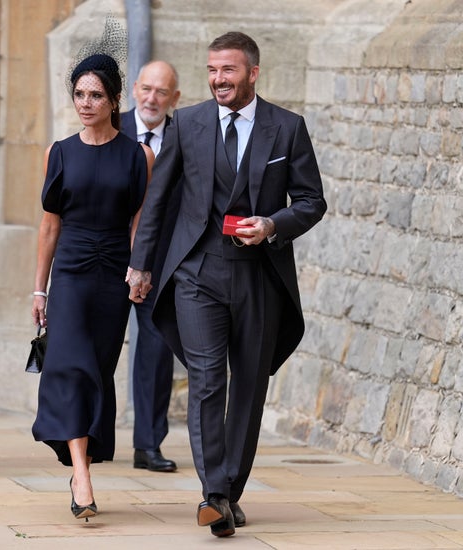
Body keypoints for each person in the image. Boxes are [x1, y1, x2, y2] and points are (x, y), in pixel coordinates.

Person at [126, 32, 327, 537]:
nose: (218, 80)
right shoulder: (188, 123)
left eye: (229, 71)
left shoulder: (287, 128)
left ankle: (231, 489)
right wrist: (142, 265)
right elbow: (158, 201)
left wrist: (273, 225)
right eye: (213, 70)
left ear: (253, 73)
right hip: (197, 271)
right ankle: (214, 493)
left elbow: (311, 200)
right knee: (208, 380)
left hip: (260, 275)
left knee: (249, 388)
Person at [30, 44, 154, 520]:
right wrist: (39, 289)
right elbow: (49, 227)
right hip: (72, 274)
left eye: (96, 95)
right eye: (79, 94)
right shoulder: (58, 153)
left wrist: (138, 269)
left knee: (97, 370)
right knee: (69, 366)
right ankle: (81, 475)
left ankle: (80, 459)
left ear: (114, 100)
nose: (86, 102)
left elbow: (140, 224)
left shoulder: (138, 155)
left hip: (113, 277)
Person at [121, 60, 181, 473]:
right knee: (96, 349)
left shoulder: (186, 134)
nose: (152, 98)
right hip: (107, 258)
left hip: (161, 265)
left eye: (162, 92)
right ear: (135, 89)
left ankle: (148, 444)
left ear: (174, 98)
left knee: (157, 353)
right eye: (146, 89)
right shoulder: (109, 127)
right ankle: (89, 438)